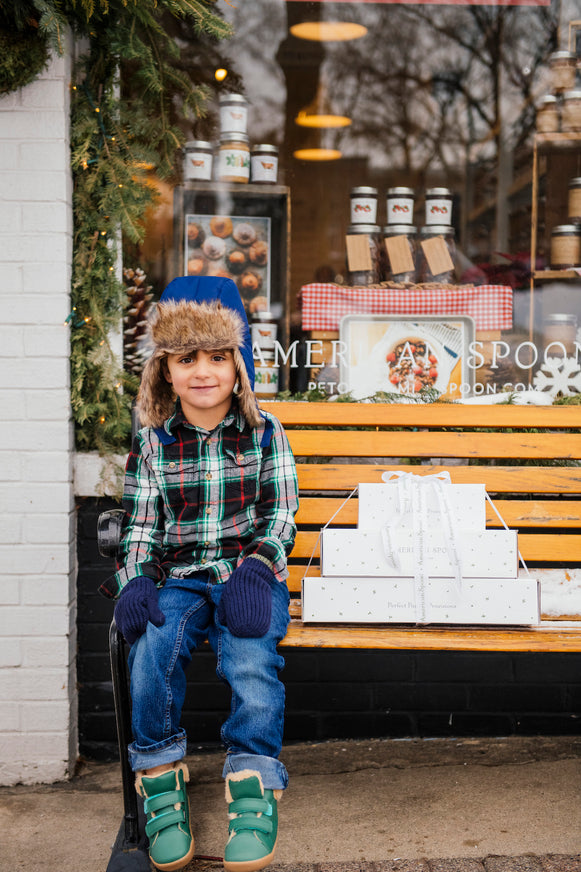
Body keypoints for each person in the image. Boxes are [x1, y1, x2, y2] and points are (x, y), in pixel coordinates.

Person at [100, 275, 299, 872]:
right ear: (165, 370)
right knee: (153, 648)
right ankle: (159, 781)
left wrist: (259, 568)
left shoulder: (265, 433)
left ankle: (253, 787)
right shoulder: (154, 444)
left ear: (238, 368)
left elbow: (281, 512)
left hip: (246, 576)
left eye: (217, 358)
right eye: (186, 359)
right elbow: (138, 525)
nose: (203, 371)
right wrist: (135, 580)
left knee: (250, 657)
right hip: (179, 576)